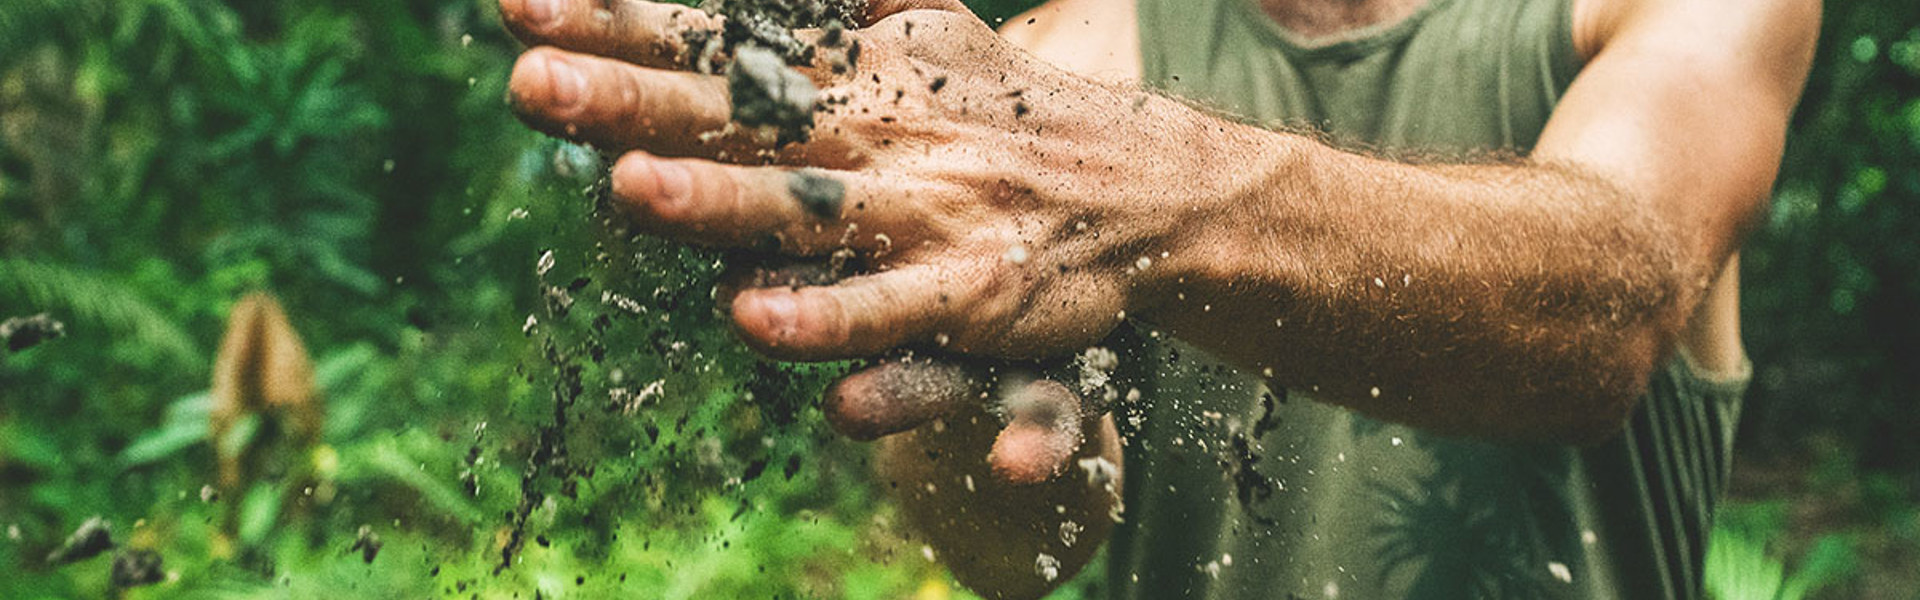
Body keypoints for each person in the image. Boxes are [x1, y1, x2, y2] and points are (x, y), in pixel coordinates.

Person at [496, 0, 1817, 597]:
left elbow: (1604, 306)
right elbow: (1008, 556)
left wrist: (1158, 197)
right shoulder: (1050, 70)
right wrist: (993, 418)